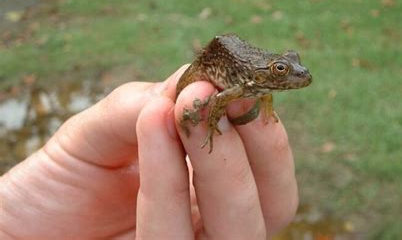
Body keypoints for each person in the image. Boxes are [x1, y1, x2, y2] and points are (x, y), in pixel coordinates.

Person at [0, 65, 298, 239]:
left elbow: (263, 95)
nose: (288, 76)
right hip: (215, 62)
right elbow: (219, 101)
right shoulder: (243, 84)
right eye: (281, 70)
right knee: (195, 103)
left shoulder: (258, 88)